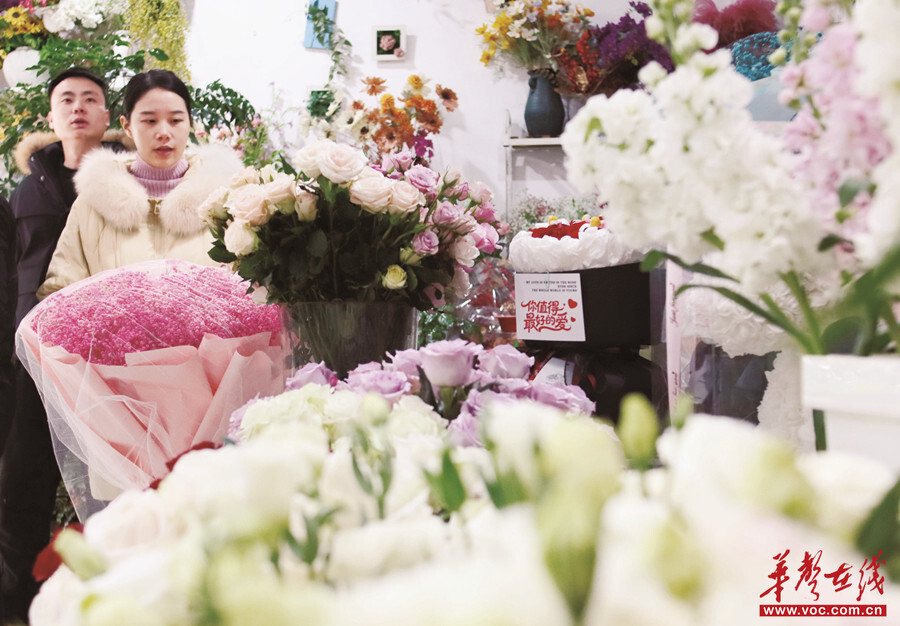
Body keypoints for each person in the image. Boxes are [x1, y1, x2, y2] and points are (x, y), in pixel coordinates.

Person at [0, 66, 122, 624]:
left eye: (89, 99)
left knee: (106, 482)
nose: (77, 107)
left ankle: (110, 598)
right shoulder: (27, 188)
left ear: (107, 116)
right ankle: (18, 602)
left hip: (102, 355)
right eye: (66, 99)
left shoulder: (123, 182)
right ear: (50, 116)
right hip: (33, 354)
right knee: (23, 482)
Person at [38, 69, 242, 297]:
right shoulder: (92, 203)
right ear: (127, 126)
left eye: (175, 120)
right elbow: (59, 295)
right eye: (150, 121)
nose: (163, 132)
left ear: (190, 123)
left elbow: (251, 293)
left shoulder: (226, 203)